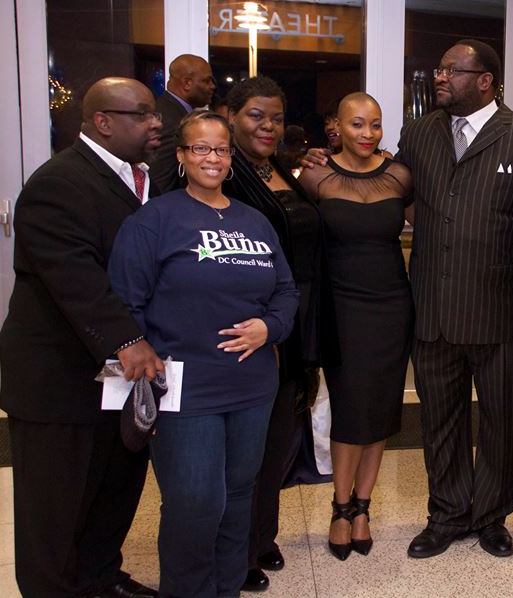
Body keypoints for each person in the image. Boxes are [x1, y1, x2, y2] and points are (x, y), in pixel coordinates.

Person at [109, 110, 299, 597]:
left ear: (231, 157)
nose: (212, 157)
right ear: (181, 155)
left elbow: (285, 291)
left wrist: (270, 327)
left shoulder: (254, 220)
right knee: (194, 502)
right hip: (184, 388)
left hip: (252, 386)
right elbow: (125, 301)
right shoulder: (154, 220)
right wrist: (137, 356)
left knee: (238, 498)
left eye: (221, 149)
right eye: (200, 147)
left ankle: (227, 587)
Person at [0, 77, 163, 598]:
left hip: (116, 381)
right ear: (103, 122)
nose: (156, 122)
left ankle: (99, 579)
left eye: (154, 112)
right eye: (142, 114)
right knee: (55, 506)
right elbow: (73, 276)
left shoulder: (145, 179)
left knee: (113, 487)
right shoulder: (58, 182)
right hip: (59, 378)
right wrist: (127, 339)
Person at [391, 39, 513, 560]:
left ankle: (491, 516)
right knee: (439, 419)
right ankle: (447, 514)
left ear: (485, 81)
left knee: (502, 420)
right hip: (433, 308)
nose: (440, 77)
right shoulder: (419, 132)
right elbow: (395, 191)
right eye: (438, 68)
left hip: (501, 311)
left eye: (451, 70)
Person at [223, 75, 334, 592]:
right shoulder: (223, 174)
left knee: (275, 441)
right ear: (230, 117)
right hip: (250, 328)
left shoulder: (281, 170)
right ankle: (236, 551)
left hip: (294, 323)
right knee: (241, 449)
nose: (267, 126)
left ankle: (261, 536)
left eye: (276, 117)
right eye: (255, 116)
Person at [297, 92, 414, 560]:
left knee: (380, 409)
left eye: (375, 124)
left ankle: (362, 507)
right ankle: (340, 507)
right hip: (341, 308)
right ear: (337, 127)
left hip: (392, 307)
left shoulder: (400, 175)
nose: (367, 133)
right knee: (349, 409)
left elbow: (435, 227)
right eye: (357, 124)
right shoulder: (315, 176)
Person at [148, 54, 215, 195]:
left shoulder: (172, 112)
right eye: (206, 81)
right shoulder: (171, 121)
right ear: (187, 83)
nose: (212, 86)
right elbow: (162, 181)